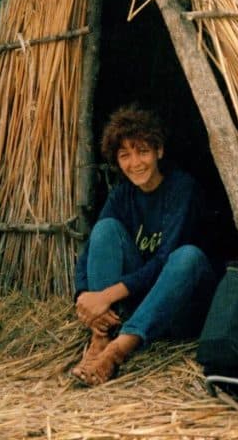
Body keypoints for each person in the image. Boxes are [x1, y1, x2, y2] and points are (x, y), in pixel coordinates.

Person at [70, 104, 215, 386]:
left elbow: (164, 260)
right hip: (141, 304)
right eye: (125, 155)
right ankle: (100, 337)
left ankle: (117, 351)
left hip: (181, 306)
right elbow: (89, 250)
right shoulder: (122, 195)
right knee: (105, 229)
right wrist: (84, 296)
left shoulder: (181, 189)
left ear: (159, 151)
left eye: (143, 151)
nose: (135, 163)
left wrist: (107, 295)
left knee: (187, 256)